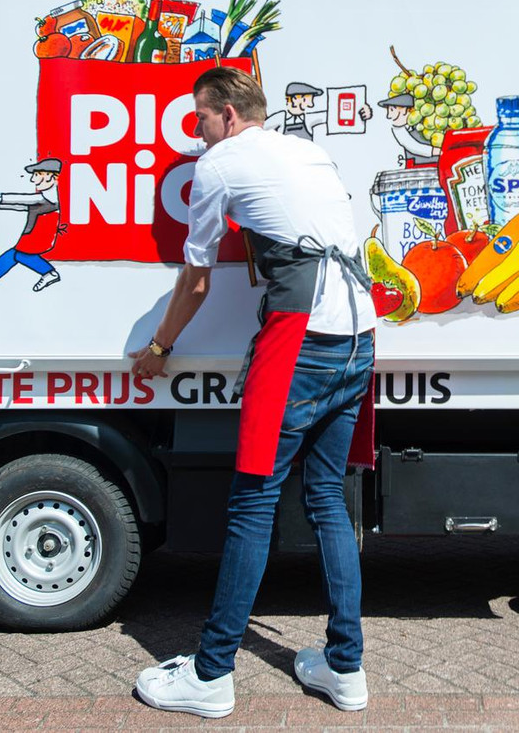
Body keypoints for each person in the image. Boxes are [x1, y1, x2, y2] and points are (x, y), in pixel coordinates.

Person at [129, 67, 376, 720]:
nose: (198, 132)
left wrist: (158, 348)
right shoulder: (308, 149)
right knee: (326, 498)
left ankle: (211, 675)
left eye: (200, 118)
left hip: (301, 343)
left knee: (251, 504)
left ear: (229, 115)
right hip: (360, 337)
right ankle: (345, 668)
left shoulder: (221, 163)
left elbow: (198, 280)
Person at [0, 158, 62, 293]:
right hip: (33, 235)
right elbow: (23, 206)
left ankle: (49, 273)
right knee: (12, 255)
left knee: (20, 255)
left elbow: (23, 199)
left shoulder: (46, 198)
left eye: (36, 175)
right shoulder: (45, 199)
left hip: (38, 236)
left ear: (48, 176)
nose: (33, 180)